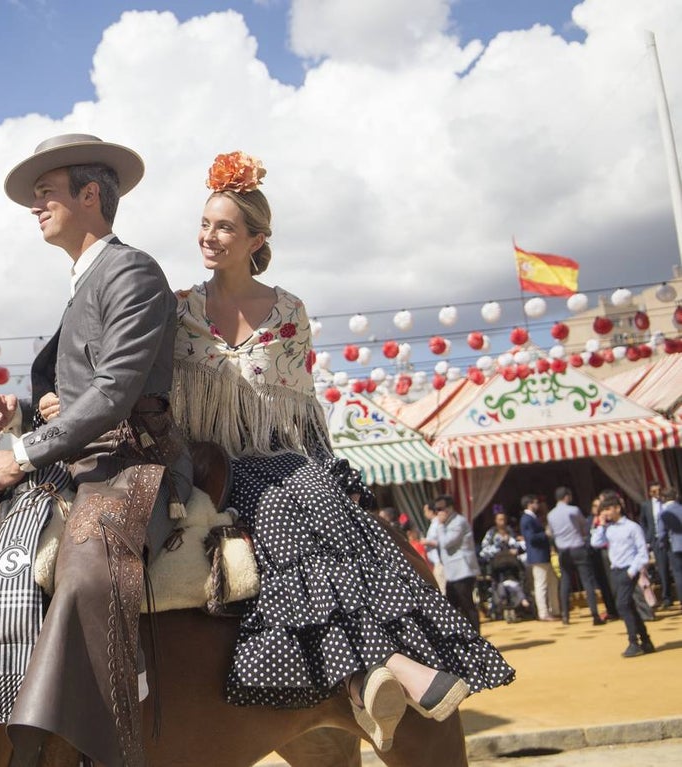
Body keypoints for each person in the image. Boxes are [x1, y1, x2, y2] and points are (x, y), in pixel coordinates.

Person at [165, 151, 513, 752]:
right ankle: (385, 670)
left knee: (330, 509)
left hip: (276, 454)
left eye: (224, 226)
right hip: (206, 464)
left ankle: (381, 669)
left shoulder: (289, 312)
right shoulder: (178, 309)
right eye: (204, 224)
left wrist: (325, 476)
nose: (209, 236)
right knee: (282, 506)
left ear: (257, 239)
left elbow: (300, 412)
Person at [0, 134, 192, 767]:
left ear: (90, 195)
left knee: (87, 576)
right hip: (84, 460)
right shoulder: (88, 279)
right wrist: (18, 413)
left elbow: (114, 391)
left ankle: (115, 737)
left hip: (134, 464)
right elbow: (78, 394)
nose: (36, 206)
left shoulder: (131, 271)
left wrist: (23, 450)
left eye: (47, 193)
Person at [591, 491, 654, 657]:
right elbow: (595, 543)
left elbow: (642, 553)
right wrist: (601, 525)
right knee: (629, 606)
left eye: (608, 509)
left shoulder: (632, 527)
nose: (606, 513)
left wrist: (631, 571)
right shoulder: (608, 529)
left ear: (617, 508)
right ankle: (646, 640)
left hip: (628, 570)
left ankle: (634, 642)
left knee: (622, 605)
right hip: (615, 570)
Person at [547, 486, 605, 626]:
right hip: (577, 547)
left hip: (563, 551)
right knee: (587, 581)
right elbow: (584, 528)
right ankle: (594, 615)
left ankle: (566, 616)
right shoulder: (573, 510)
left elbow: (551, 533)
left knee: (565, 583)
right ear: (567, 496)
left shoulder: (551, 515)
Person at [424, 496, 482, 633]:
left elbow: (446, 542)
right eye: (436, 509)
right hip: (452, 573)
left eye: (440, 509)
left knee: (467, 605)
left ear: (450, 508)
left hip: (463, 571)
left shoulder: (458, 522)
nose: (438, 512)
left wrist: (440, 525)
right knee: (451, 606)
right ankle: (462, 634)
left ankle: (476, 636)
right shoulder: (448, 523)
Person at [519, 494, 559, 622]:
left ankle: (554, 609)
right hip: (538, 555)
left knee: (552, 582)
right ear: (530, 504)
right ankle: (543, 613)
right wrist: (545, 534)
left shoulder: (530, 518)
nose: (538, 505)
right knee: (541, 584)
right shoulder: (527, 519)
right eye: (535, 502)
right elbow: (531, 538)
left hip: (541, 555)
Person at [639, 481, 675, 608]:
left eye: (659, 490)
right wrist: (648, 537)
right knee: (662, 568)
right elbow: (642, 522)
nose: (657, 494)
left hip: (671, 540)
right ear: (650, 493)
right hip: (656, 540)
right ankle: (667, 597)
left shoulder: (668, 504)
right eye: (654, 491)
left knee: (676, 568)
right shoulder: (646, 505)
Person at [659, 487, 682, 613]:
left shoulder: (663, 513)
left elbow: (661, 533)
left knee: (678, 574)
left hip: (675, 545)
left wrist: (662, 545)